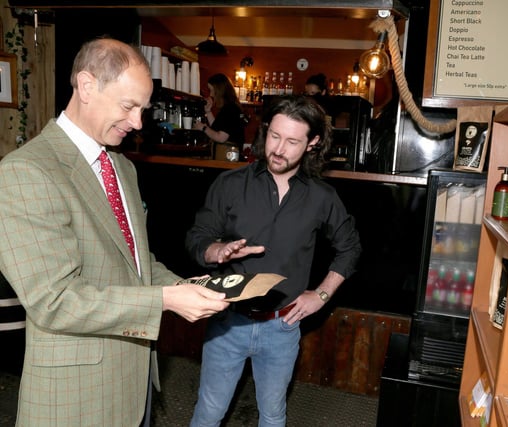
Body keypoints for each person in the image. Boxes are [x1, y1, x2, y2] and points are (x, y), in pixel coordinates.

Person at [0, 37, 230, 427]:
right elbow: (54, 300)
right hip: (76, 396)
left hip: (134, 383)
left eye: (143, 108)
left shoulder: (123, 168)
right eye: (129, 106)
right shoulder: (26, 171)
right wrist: (165, 300)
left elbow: (135, 262)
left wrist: (188, 286)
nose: (138, 122)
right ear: (87, 86)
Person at [185, 95, 362, 427]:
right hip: (227, 322)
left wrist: (321, 294)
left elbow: (350, 249)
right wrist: (217, 251)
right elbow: (197, 237)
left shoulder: (322, 197)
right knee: (209, 411)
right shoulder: (230, 184)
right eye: (274, 136)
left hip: (282, 327)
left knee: (273, 414)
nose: (279, 148)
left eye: (292, 141)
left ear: (313, 143)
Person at [193, 73, 247, 148]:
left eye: (211, 90)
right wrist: (208, 111)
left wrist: (203, 128)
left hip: (227, 156)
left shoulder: (230, 109)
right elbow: (217, 129)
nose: (211, 95)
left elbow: (221, 138)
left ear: (218, 91)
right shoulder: (230, 107)